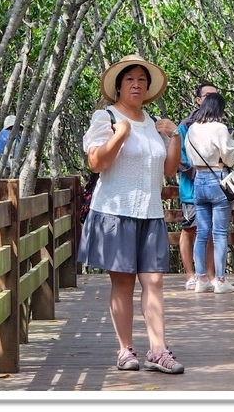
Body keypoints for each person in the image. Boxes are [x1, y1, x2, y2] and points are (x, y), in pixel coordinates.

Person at [77, 54, 186, 374]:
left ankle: (158, 349)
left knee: (154, 281)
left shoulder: (154, 124)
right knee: (123, 283)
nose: (136, 84)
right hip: (115, 211)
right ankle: (125, 350)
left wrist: (175, 136)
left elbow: (168, 170)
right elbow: (96, 163)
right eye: (130, 79)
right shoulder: (106, 117)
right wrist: (120, 134)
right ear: (119, 86)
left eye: (142, 79)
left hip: (150, 212)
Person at [185, 92, 234, 294]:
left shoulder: (192, 129)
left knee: (201, 233)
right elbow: (230, 158)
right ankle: (220, 280)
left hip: (198, 179)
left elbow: (190, 158)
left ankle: (200, 279)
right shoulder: (220, 128)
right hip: (218, 178)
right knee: (219, 234)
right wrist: (230, 142)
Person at [177, 83, 218, 290]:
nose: (212, 99)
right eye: (208, 95)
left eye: (215, 96)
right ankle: (191, 275)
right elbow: (179, 159)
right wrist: (202, 175)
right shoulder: (185, 126)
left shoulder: (221, 125)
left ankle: (210, 275)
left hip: (215, 190)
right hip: (191, 190)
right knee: (190, 230)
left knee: (211, 230)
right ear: (198, 100)